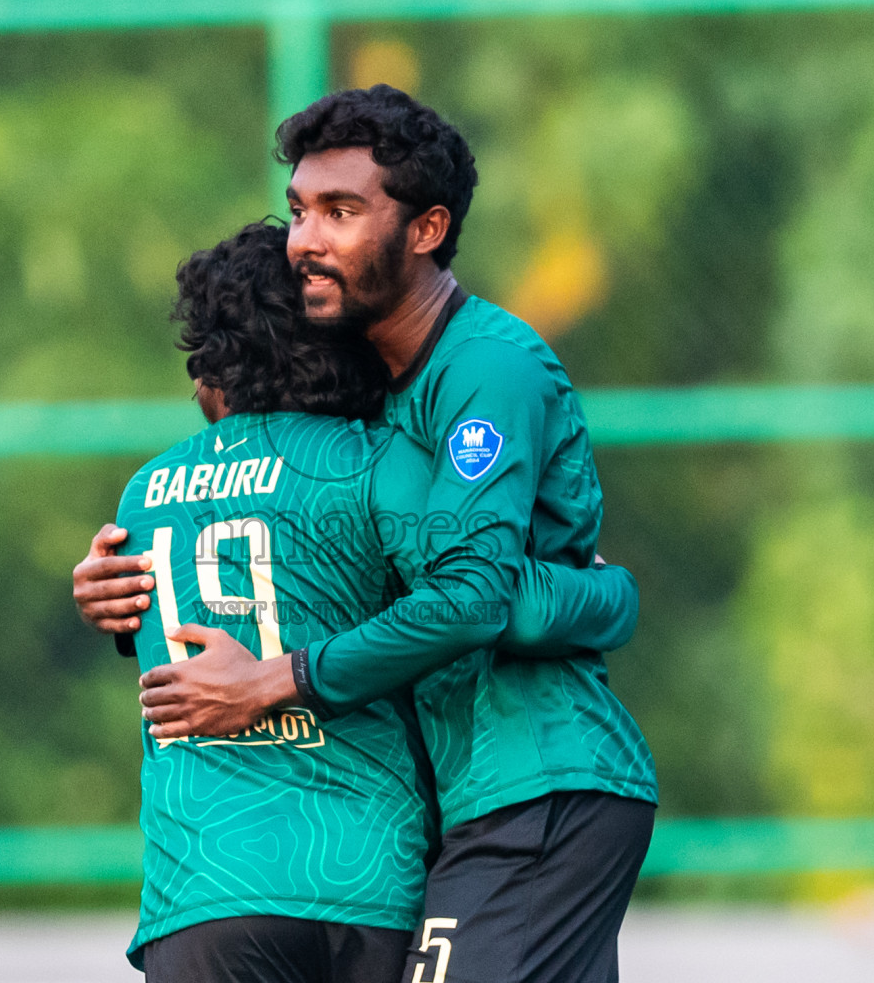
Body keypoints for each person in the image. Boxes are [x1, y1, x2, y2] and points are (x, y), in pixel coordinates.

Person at [122, 86, 658, 983]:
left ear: (426, 229)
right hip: (473, 801)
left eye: (341, 212)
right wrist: (113, 588)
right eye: (299, 211)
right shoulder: (384, 390)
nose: (306, 241)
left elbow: (472, 598)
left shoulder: (485, 368)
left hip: (538, 782)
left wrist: (277, 681)